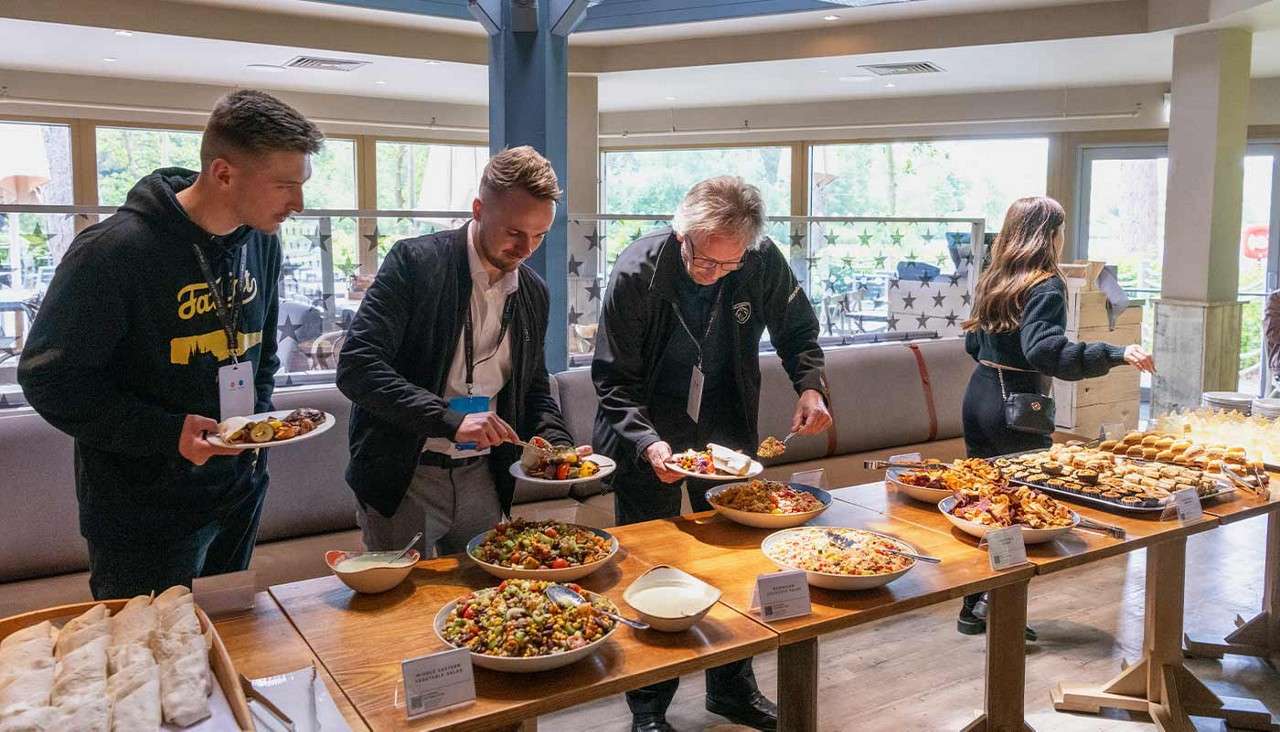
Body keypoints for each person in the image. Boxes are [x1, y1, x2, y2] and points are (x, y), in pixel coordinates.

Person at [18, 90, 322, 599]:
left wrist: (253, 431)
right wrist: (167, 434)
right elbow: (49, 379)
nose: (298, 204)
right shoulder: (113, 252)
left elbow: (260, 353)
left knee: (225, 642)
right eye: (285, 186)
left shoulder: (262, 242)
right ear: (223, 173)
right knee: (151, 663)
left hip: (238, 488)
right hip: (143, 511)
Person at [593, 176, 832, 732]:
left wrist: (811, 385)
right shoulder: (637, 272)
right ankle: (649, 707)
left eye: (728, 266)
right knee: (654, 570)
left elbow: (798, 328)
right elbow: (611, 379)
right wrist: (648, 443)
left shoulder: (759, 259)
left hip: (724, 426)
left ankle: (731, 686)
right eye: (703, 261)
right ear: (681, 235)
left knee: (733, 560)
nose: (712, 273)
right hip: (646, 429)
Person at [337, 146, 584, 558]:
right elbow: (357, 367)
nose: (526, 249)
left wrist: (558, 445)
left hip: (482, 477)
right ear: (477, 209)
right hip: (407, 473)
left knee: (481, 602)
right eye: (514, 232)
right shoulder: (415, 263)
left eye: (540, 236)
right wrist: (451, 420)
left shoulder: (533, 292)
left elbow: (534, 386)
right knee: (401, 612)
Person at [957, 195, 1155, 634]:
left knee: (983, 503)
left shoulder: (995, 277)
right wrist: (1116, 352)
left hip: (981, 395)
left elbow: (972, 345)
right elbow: (1045, 351)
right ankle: (1004, 612)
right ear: (1050, 234)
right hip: (1019, 405)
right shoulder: (1046, 284)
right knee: (1019, 506)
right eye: (1061, 230)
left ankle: (974, 606)